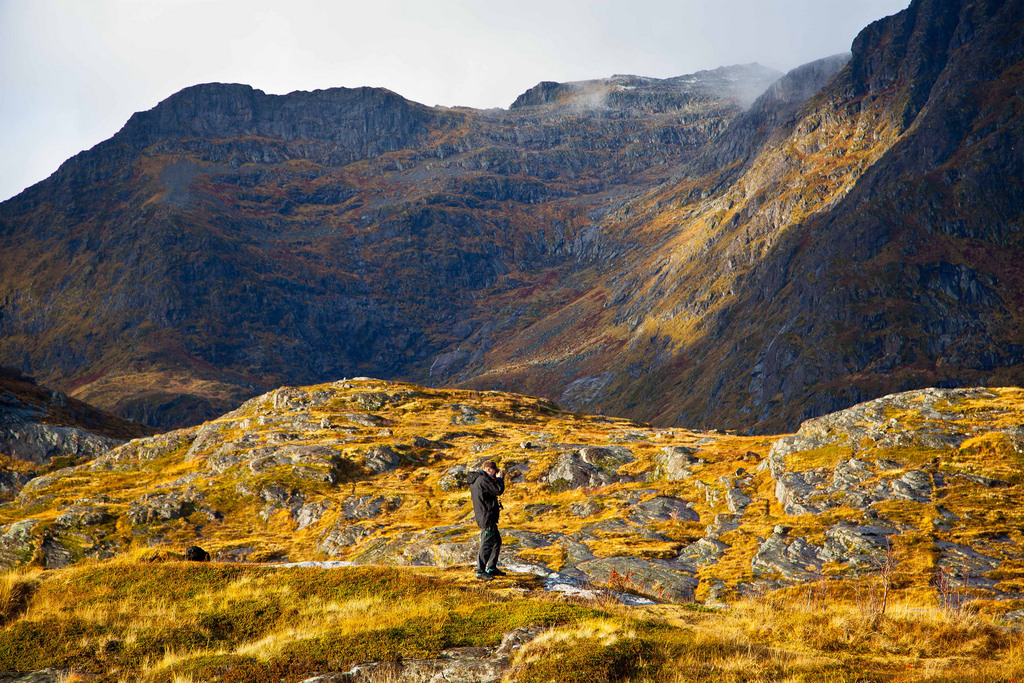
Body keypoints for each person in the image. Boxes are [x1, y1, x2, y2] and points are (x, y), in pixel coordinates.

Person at [467, 460, 505, 580]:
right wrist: (499, 479)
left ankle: (492, 567)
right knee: (487, 543)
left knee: (496, 541)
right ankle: (480, 570)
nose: (495, 474)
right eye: (494, 471)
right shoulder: (483, 479)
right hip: (486, 516)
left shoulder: (478, 479)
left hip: (486, 515)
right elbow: (498, 490)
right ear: (489, 470)